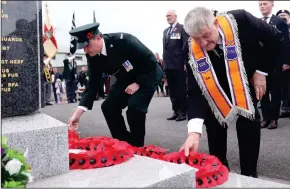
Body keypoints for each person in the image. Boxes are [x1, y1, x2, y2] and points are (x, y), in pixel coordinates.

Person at [180, 7, 284, 178]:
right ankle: (219, 173)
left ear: (215, 22)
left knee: (248, 121)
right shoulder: (189, 49)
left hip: (246, 78)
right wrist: (194, 132)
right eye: (197, 39)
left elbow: (275, 39)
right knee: (214, 125)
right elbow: (195, 92)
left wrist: (262, 71)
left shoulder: (241, 20)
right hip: (214, 90)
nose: (204, 44)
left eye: (206, 35)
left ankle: (249, 176)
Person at [67, 23, 164, 147]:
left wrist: (138, 83)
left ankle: (137, 146)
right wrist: (78, 113)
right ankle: (124, 143)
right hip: (127, 76)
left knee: (134, 106)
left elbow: (150, 60)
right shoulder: (92, 56)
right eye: (83, 47)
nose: (85, 50)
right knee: (108, 106)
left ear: (98, 38)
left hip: (148, 73)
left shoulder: (124, 41)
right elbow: (92, 85)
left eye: (87, 45)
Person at [258, 1, 290, 129]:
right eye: (260, 4)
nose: (262, 6)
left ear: (272, 4)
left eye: (265, 3)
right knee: (262, 91)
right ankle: (265, 117)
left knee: (275, 91)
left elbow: (286, 42)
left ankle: (273, 119)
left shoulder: (279, 21)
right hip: (261, 63)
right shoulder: (257, 21)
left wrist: (286, 61)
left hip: (275, 62)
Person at [162, 9, 188, 122]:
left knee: (180, 89)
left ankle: (183, 112)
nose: (168, 17)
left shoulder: (182, 28)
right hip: (168, 65)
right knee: (172, 90)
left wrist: (186, 63)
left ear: (175, 16)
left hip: (179, 64)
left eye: (170, 15)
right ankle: (176, 111)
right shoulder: (165, 31)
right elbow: (165, 49)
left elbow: (186, 46)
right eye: (166, 16)